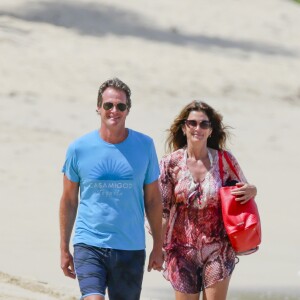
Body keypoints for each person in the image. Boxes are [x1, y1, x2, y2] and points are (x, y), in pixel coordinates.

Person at [59, 77, 164, 300]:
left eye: (120, 106)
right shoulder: (79, 148)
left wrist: (158, 245)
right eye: (108, 105)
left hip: (130, 246)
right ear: (99, 108)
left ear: (128, 110)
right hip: (89, 243)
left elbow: (153, 200)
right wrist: (63, 248)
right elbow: (68, 200)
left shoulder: (145, 146)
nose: (114, 110)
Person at [159, 100, 257, 300]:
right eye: (192, 123)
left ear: (211, 130)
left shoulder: (224, 161)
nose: (198, 128)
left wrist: (252, 189)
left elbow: (243, 192)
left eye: (204, 124)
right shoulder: (170, 163)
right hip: (181, 250)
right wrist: (156, 248)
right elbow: (162, 210)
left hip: (218, 247)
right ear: (184, 127)